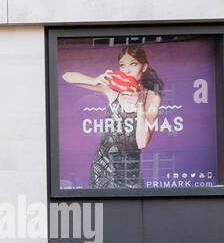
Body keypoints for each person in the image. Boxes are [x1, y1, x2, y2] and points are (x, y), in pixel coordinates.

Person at [61, 45, 163, 188]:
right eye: (122, 65)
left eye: (133, 64)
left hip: (131, 170)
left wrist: (139, 106)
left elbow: (142, 143)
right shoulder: (113, 89)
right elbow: (67, 76)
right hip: (103, 167)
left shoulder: (152, 97)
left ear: (144, 67)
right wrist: (94, 80)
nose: (126, 70)